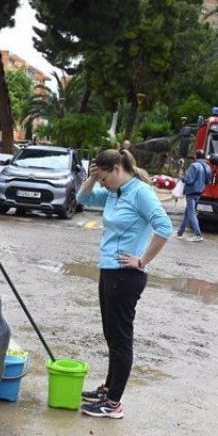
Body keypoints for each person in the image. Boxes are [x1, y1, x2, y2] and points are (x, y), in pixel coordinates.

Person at [75, 149, 172, 419]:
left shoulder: (139, 192)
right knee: (111, 335)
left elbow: (164, 227)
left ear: (117, 168)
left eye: (105, 177)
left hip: (126, 276)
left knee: (120, 340)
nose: (103, 184)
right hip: (109, 271)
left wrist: (142, 260)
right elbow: (82, 197)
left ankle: (114, 402)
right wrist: (93, 178)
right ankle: (108, 388)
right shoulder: (114, 192)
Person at [177, 149, 211, 242]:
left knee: (191, 213)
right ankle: (180, 232)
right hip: (199, 192)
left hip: (191, 192)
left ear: (196, 156)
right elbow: (208, 181)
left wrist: (182, 177)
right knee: (187, 213)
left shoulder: (194, 166)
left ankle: (198, 235)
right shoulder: (207, 167)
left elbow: (189, 180)